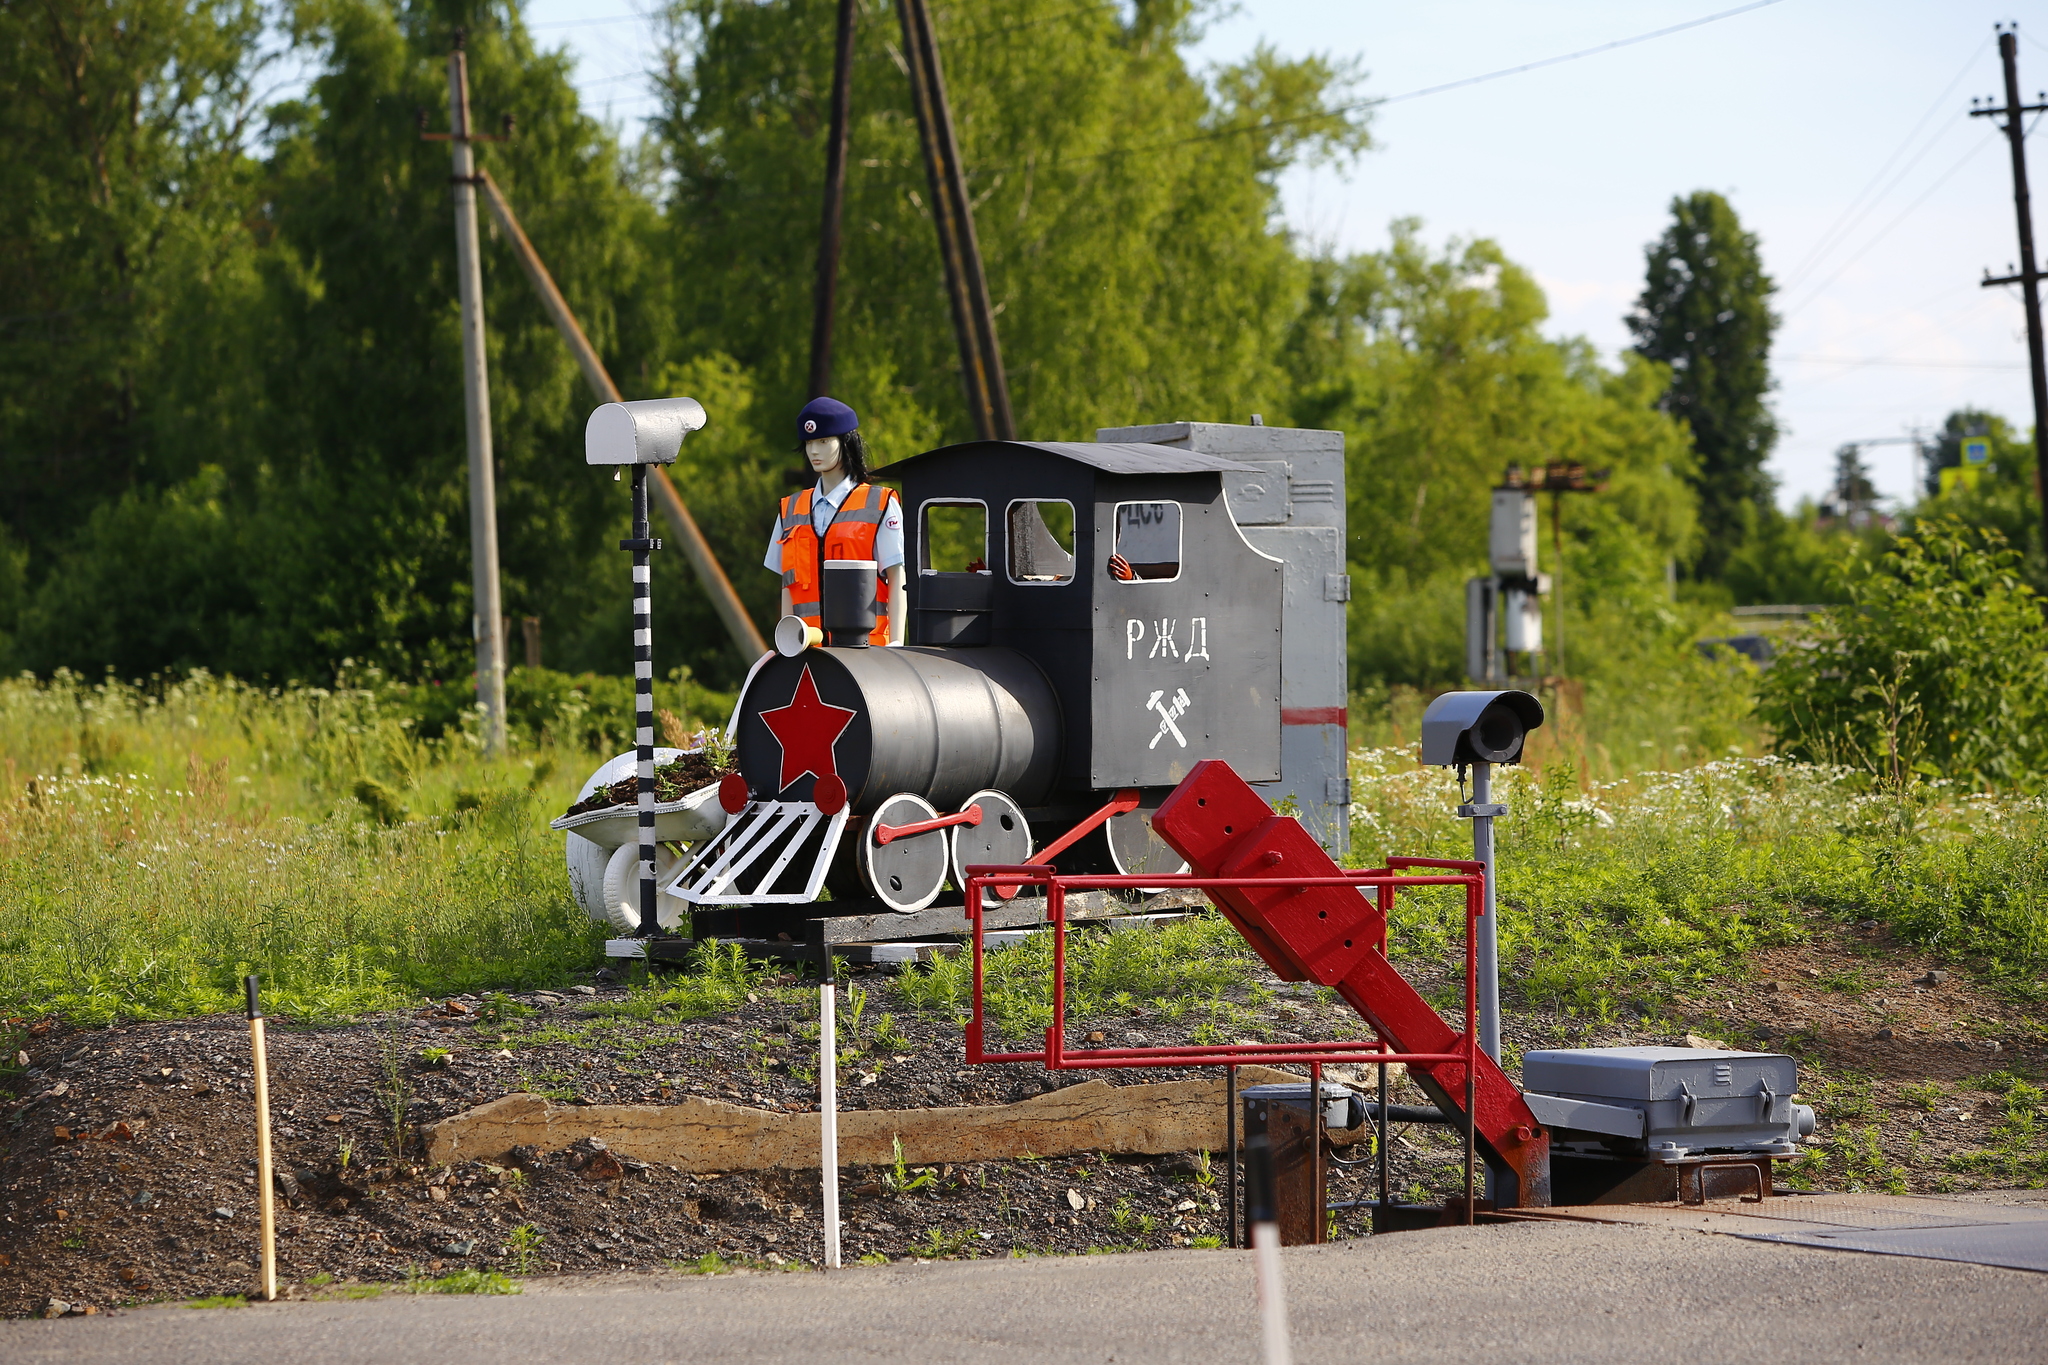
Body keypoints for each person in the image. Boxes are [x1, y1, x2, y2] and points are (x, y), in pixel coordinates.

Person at [763, 396, 906, 646]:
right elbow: (788, 586)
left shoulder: (880, 503)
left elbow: (897, 578)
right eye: (808, 443)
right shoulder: (789, 510)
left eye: (824, 441)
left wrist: (896, 645)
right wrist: (784, 646)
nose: (814, 451)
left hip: (867, 654)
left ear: (846, 442)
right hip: (807, 652)